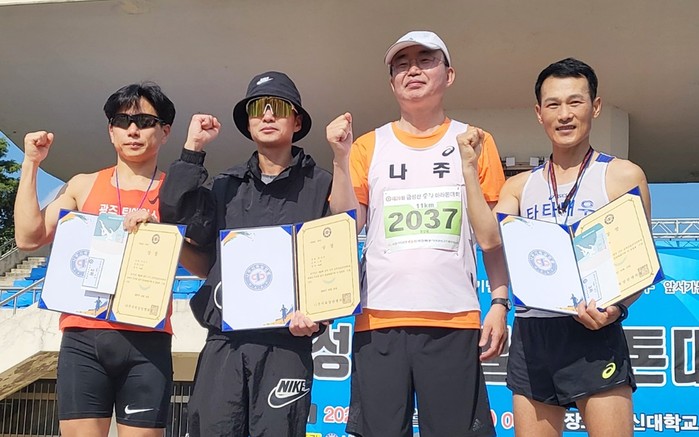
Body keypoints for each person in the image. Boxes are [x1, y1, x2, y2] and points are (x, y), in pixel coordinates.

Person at [326, 30, 509, 437]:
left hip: (454, 318)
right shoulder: (368, 146)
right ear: (391, 81)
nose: (413, 70)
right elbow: (346, 224)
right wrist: (340, 158)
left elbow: (492, 239)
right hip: (378, 319)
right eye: (401, 64)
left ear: (449, 74)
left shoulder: (476, 141)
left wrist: (499, 302)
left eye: (425, 60)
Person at [159, 71, 342, 437]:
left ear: (297, 121)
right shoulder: (225, 185)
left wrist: (319, 316)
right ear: (247, 122)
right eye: (258, 108)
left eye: (279, 108)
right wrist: (193, 150)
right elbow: (175, 215)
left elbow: (334, 262)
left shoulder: (322, 184)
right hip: (225, 342)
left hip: (286, 344)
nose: (268, 115)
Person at [494, 58, 649, 437]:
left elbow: (639, 264)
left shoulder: (623, 175)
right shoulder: (518, 187)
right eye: (553, 104)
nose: (564, 114)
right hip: (533, 332)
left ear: (595, 106)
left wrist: (616, 309)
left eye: (575, 102)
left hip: (595, 330)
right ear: (539, 113)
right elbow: (488, 239)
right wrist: (468, 169)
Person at [14, 82, 176, 437]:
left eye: (145, 122)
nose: (133, 130)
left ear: (164, 131)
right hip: (83, 337)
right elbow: (28, 237)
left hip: (147, 340)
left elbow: (199, 257)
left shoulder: (175, 194)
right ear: (110, 130)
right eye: (122, 121)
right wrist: (31, 163)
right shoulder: (83, 185)